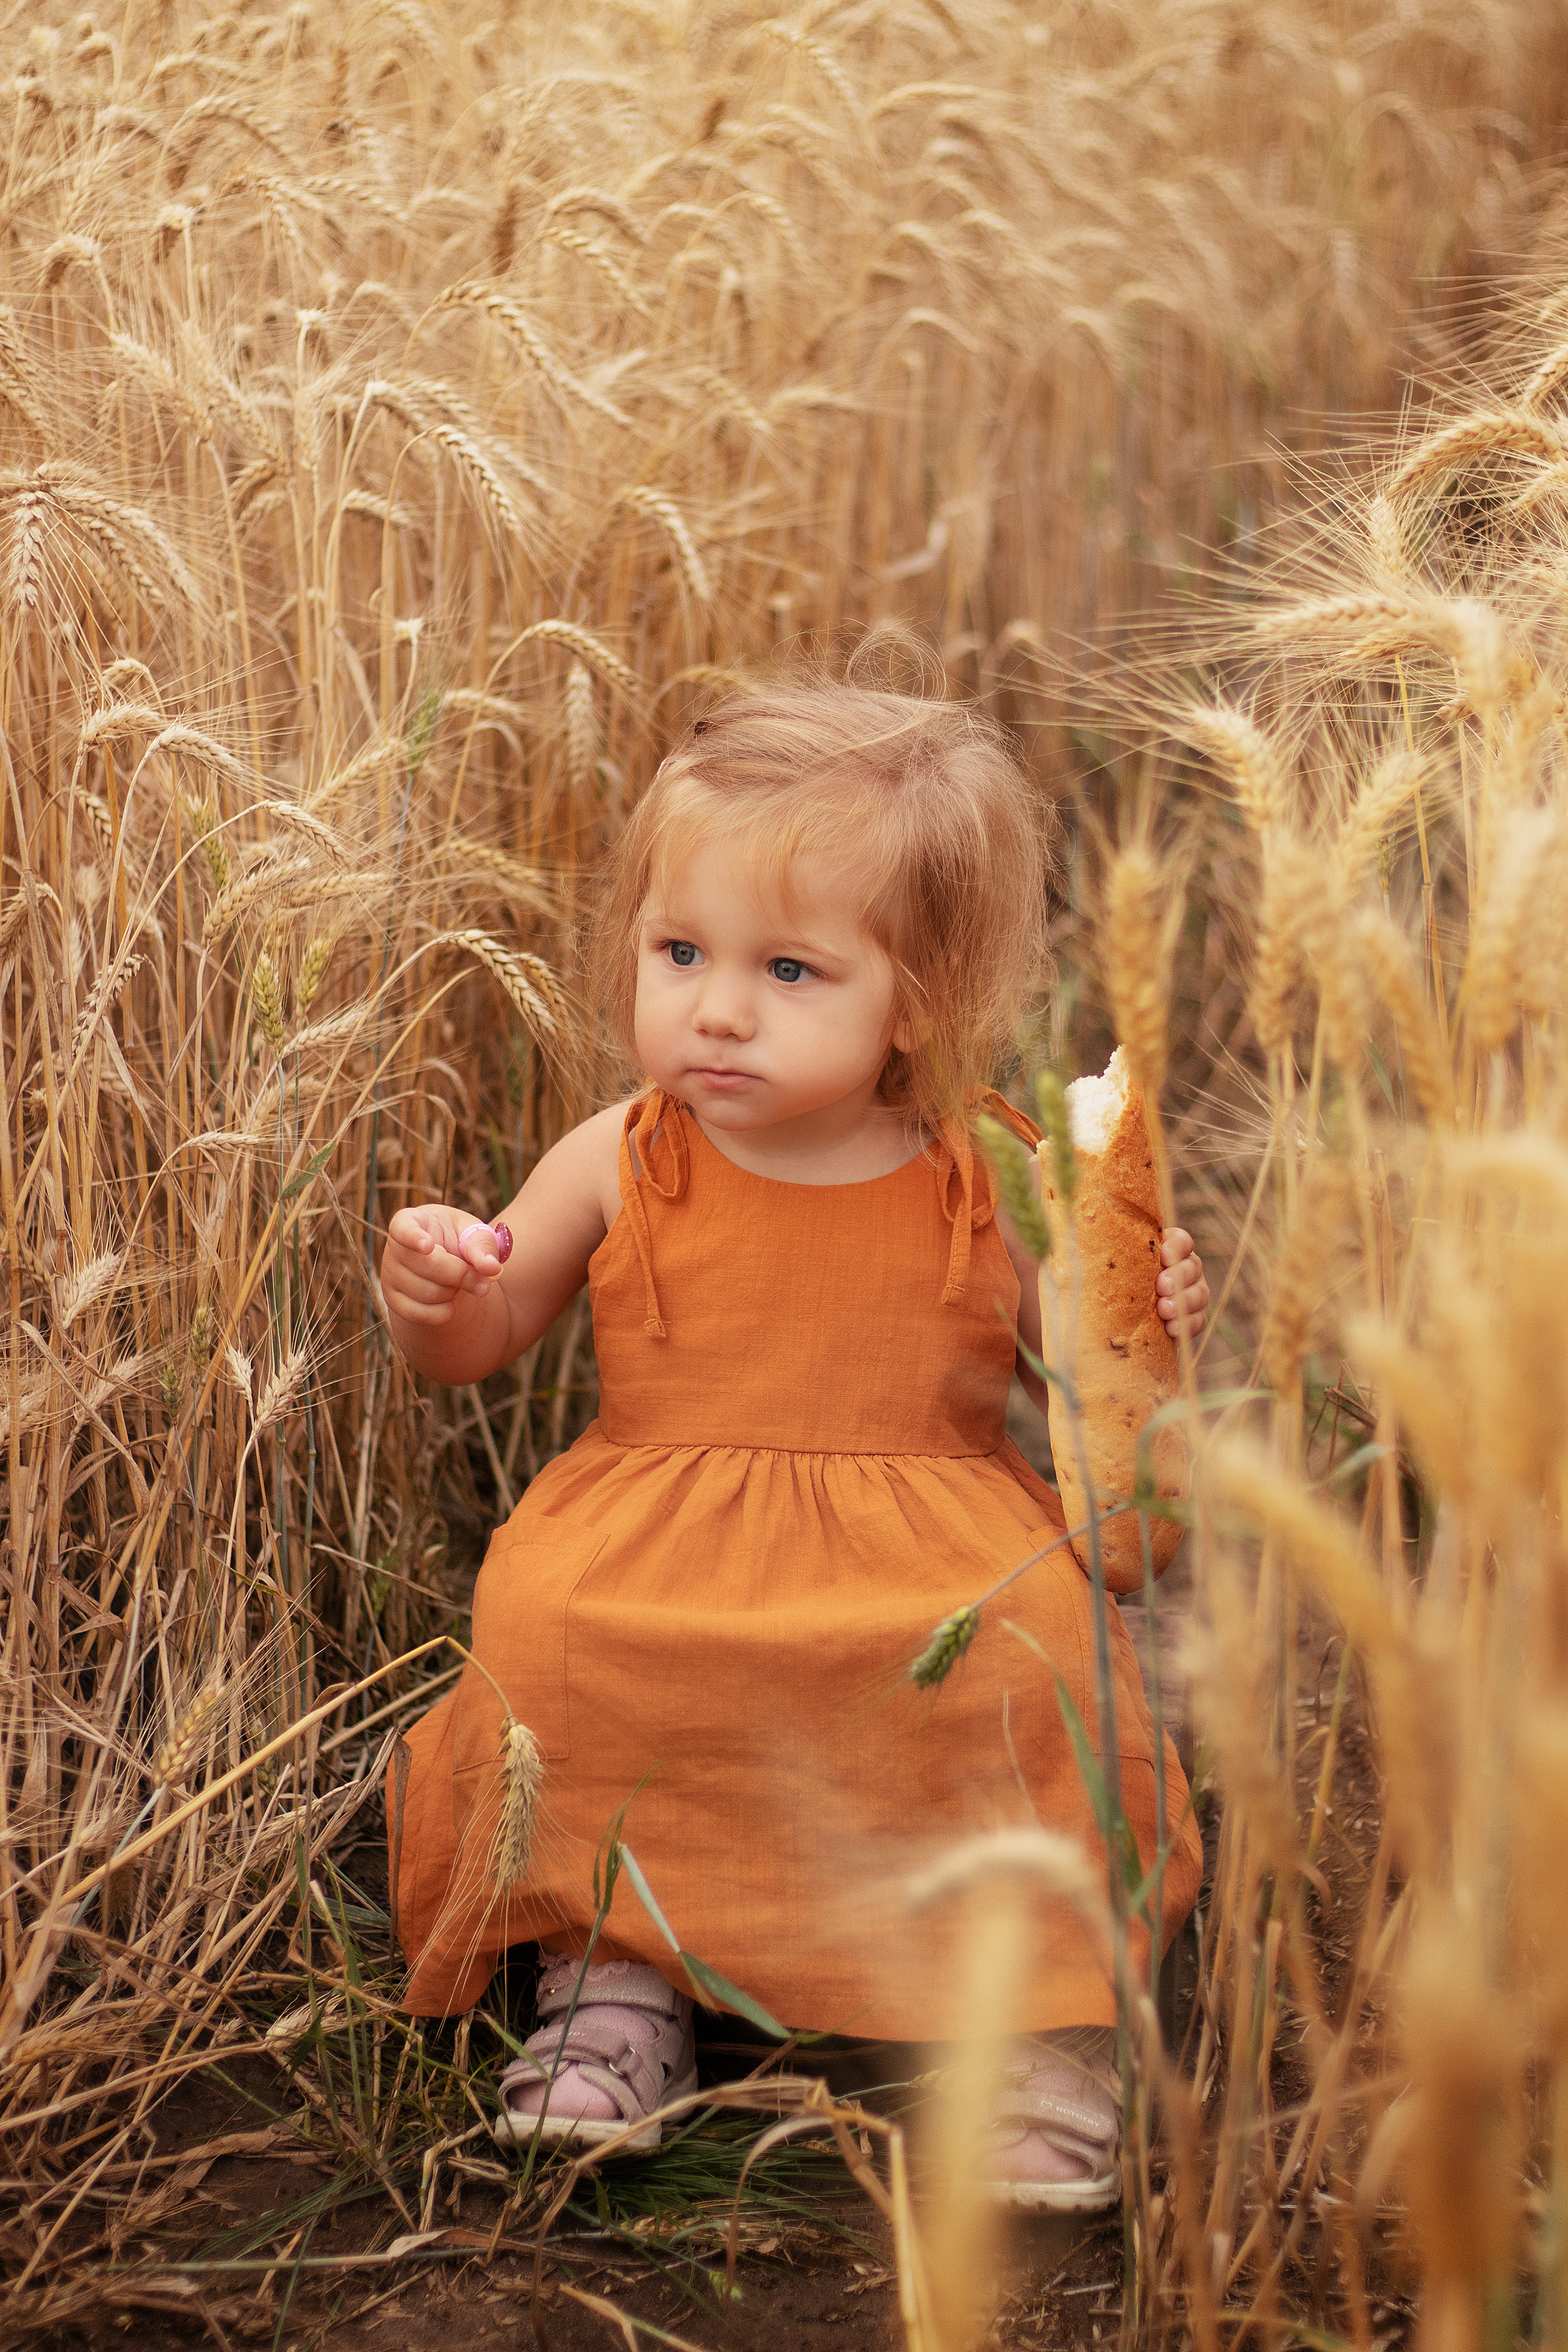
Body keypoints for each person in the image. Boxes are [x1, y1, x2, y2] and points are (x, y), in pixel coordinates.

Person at [381, 684, 1209, 2209]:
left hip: (931, 1556)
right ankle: (614, 1973)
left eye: (788, 969)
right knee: (553, 1634)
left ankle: (1030, 2011)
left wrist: (1140, 1321)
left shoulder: (985, 1173)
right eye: (679, 952)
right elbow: (473, 1346)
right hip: (652, 1542)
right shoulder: (624, 1159)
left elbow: (1117, 1470)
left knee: (1034, 1657)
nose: (716, 1008)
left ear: (919, 995)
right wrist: (433, 1289)